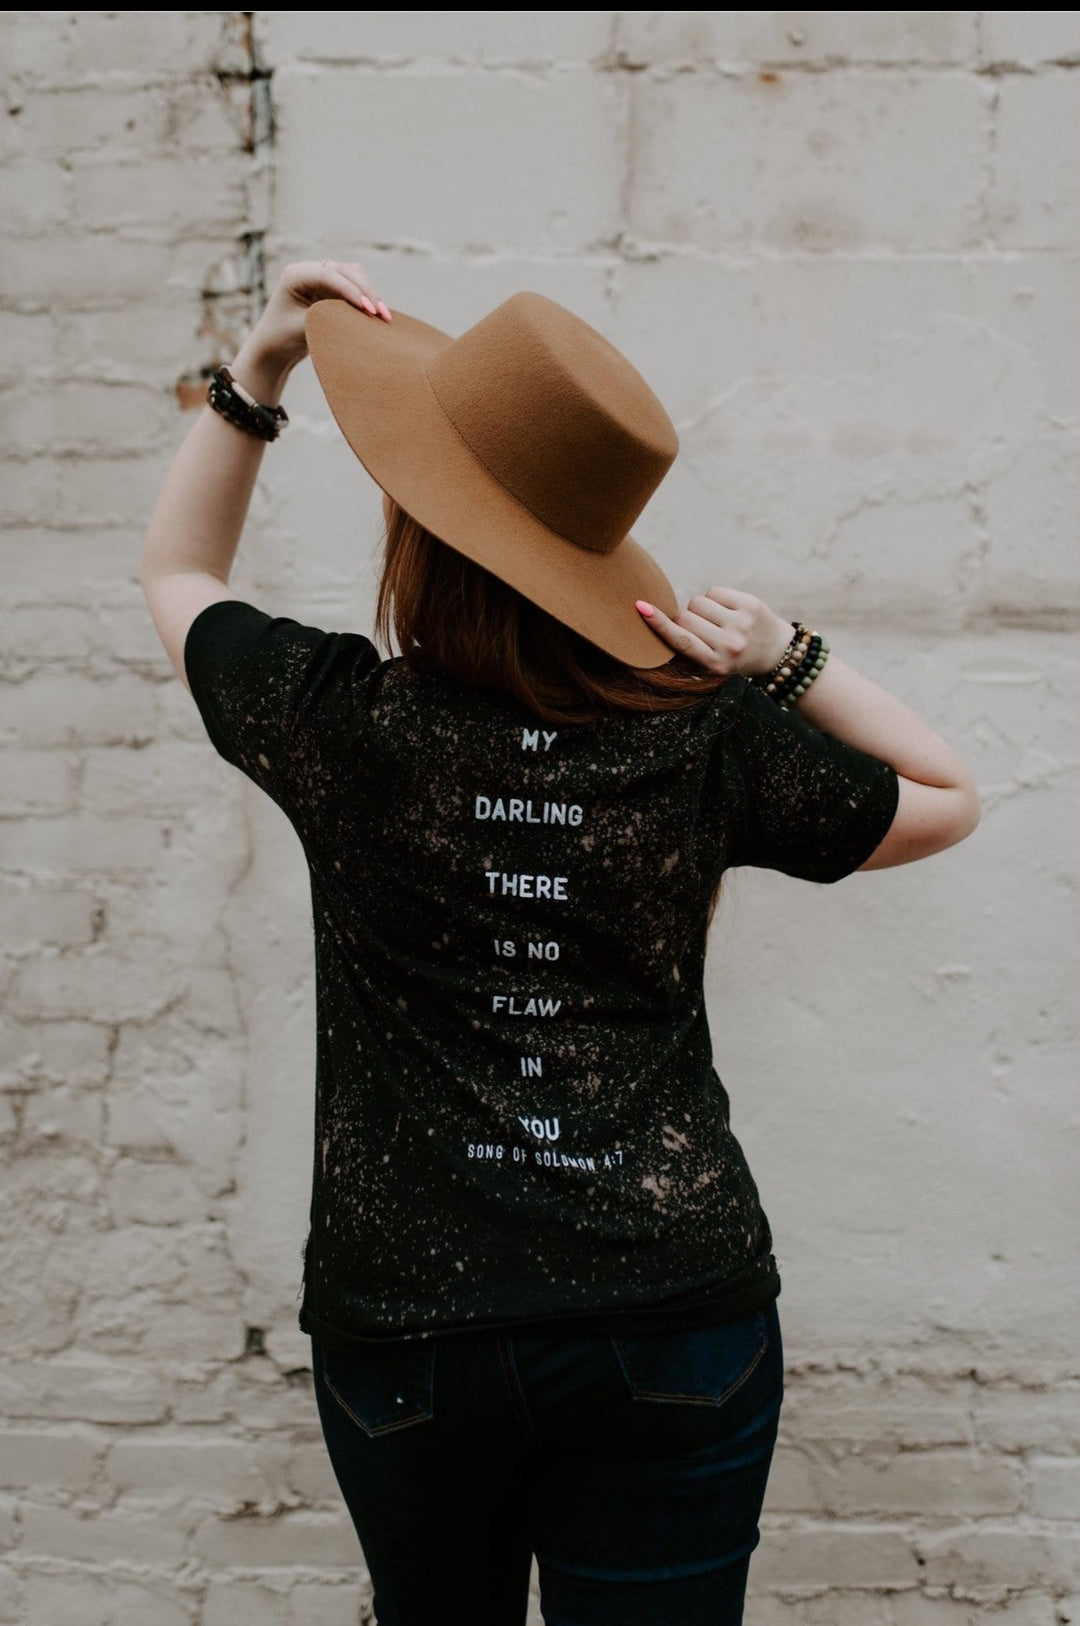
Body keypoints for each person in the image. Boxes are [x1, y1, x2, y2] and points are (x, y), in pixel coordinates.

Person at [142, 260, 980, 1626]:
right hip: (668, 1311)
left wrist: (264, 367)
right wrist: (787, 655)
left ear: (420, 526)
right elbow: (947, 795)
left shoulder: (337, 721)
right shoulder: (696, 734)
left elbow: (177, 569)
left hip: (410, 1325)